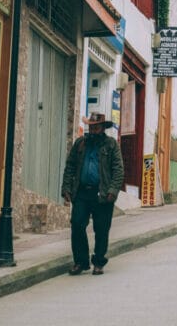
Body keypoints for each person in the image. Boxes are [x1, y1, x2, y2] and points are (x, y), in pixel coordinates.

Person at [61, 112, 124, 276]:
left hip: (102, 193)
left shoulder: (111, 145)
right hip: (82, 192)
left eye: (96, 127)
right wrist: (66, 187)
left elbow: (118, 170)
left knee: (101, 229)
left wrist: (113, 190)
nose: (93, 130)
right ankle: (81, 262)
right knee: (77, 224)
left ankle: (98, 261)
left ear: (102, 128)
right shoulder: (80, 143)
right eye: (91, 127)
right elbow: (70, 166)